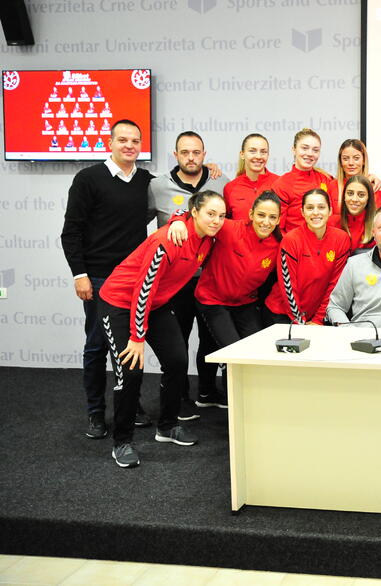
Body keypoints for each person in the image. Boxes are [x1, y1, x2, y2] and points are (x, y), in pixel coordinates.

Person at [98, 190, 225, 467]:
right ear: (195, 213)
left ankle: (166, 427)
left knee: (178, 361)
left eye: (221, 215)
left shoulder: (208, 240)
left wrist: (177, 216)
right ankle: (122, 441)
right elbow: (143, 290)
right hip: (120, 303)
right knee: (130, 372)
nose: (216, 220)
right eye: (210, 214)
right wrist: (136, 336)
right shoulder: (168, 241)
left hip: (155, 305)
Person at [61, 119, 155, 439]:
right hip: (99, 278)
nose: (129, 145)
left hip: (134, 280)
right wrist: (80, 275)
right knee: (98, 346)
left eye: (135, 141)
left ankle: (130, 406)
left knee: (130, 345)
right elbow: (71, 231)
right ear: (110, 143)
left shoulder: (145, 180)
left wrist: (209, 169)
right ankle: (96, 413)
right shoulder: (88, 179)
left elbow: (177, 186)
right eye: (123, 140)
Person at [148, 131, 230, 414]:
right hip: (175, 281)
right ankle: (179, 398)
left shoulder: (221, 182)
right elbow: (140, 225)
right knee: (177, 340)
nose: (191, 157)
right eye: (185, 152)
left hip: (210, 277)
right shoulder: (157, 186)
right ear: (176, 155)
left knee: (209, 338)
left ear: (205, 155)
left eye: (196, 152)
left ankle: (207, 390)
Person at [167, 191, 281, 374]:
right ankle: (222, 398)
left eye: (272, 217)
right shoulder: (230, 229)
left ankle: (250, 399)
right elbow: (192, 212)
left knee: (258, 349)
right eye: (261, 215)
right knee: (233, 352)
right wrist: (178, 220)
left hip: (245, 303)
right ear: (251, 214)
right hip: (213, 300)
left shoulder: (278, 245)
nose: (266, 222)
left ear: (278, 220)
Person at [264, 189, 352, 325]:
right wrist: (301, 323)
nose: (316, 212)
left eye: (321, 207)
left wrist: (318, 320)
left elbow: (335, 286)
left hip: (317, 315)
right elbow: (288, 288)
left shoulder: (341, 239)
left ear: (330, 211)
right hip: (282, 314)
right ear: (302, 212)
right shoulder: (291, 240)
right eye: (310, 208)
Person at [272, 128, 336, 234]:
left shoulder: (325, 178)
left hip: (325, 245)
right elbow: (278, 228)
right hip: (297, 246)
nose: (310, 154)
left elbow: (348, 185)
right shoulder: (281, 184)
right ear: (294, 149)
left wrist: (369, 178)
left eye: (315, 150)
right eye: (305, 148)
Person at [223, 133, 279, 220]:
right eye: (252, 151)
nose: (258, 156)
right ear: (242, 154)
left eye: (263, 152)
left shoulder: (279, 183)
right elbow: (228, 224)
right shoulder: (230, 188)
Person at [337, 138, 381, 206]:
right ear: (340, 161)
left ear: (364, 160)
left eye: (356, 158)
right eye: (345, 159)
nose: (351, 163)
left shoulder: (377, 188)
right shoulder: (332, 186)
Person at [340, 174, 376, 249]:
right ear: (344, 196)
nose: (354, 199)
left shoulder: (377, 225)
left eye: (361, 195)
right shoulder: (331, 223)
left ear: (368, 198)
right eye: (350, 193)